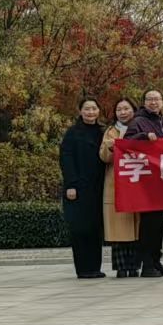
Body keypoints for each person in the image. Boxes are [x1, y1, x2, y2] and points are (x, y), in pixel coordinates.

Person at [124, 88, 163, 276]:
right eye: (149, 99)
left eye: (157, 99)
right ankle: (147, 264)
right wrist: (143, 137)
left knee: (160, 222)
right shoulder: (138, 121)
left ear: (162, 101)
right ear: (144, 102)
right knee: (149, 223)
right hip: (147, 181)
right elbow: (126, 144)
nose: (153, 102)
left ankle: (156, 260)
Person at [59, 97, 107, 278]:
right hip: (78, 188)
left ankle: (95, 267)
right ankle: (83, 269)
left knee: (95, 229)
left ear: (98, 111)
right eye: (87, 109)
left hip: (98, 187)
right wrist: (71, 184)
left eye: (94, 108)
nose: (90, 112)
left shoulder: (103, 132)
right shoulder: (73, 133)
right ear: (80, 111)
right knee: (80, 229)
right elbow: (66, 159)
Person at [98, 97, 143, 277]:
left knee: (137, 229)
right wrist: (112, 147)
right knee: (119, 230)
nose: (123, 112)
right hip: (116, 184)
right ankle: (121, 267)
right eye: (119, 109)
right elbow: (104, 157)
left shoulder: (141, 127)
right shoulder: (111, 131)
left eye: (126, 108)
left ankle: (135, 266)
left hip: (138, 182)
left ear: (134, 109)